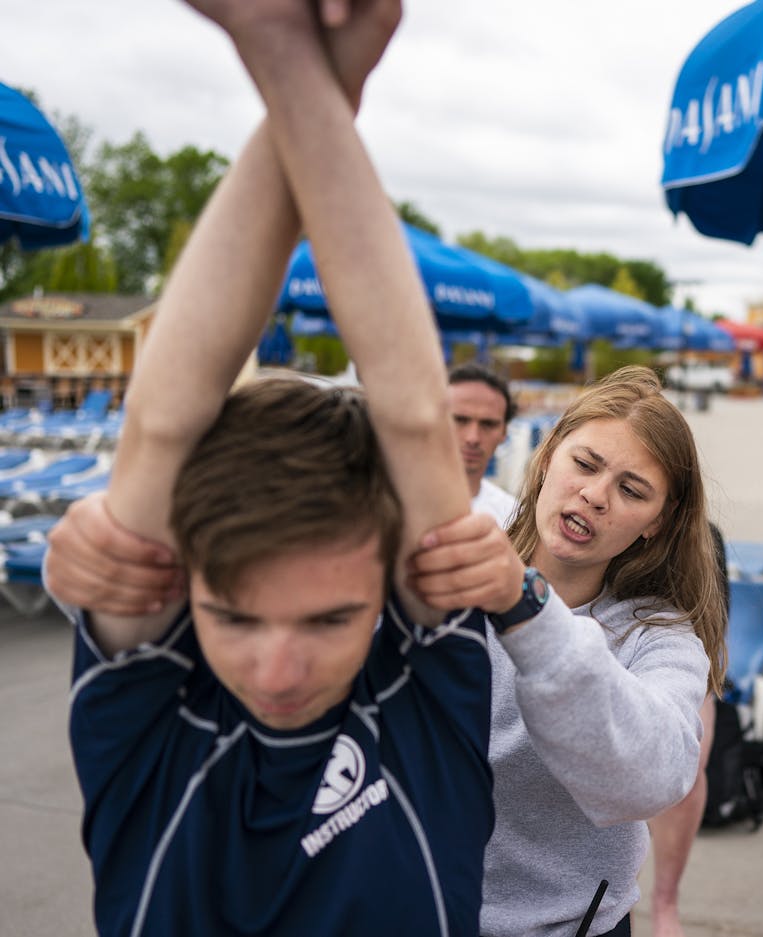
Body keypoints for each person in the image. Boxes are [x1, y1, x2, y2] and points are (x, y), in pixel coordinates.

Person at [42, 2, 496, 934]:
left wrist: (285, 53)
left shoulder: (424, 700)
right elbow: (162, 425)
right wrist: (307, 65)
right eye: (233, 614)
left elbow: (415, 417)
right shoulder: (146, 720)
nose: (278, 667)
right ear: (185, 583)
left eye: (331, 616)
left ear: (389, 583)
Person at [52, 364, 727, 937]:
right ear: (548, 454)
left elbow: (652, 778)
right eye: (586, 463)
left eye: (631, 490)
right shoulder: (443, 558)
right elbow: (280, 591)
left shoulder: (658, 636)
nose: (595, 494)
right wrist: (101, 558)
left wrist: (526, 606)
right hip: (394, 905)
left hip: (564, 924)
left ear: (657, 522)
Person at [646, 524, 729, 937]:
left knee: (686, 773)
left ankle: (665, 902)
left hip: (686, 662)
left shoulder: (704, 538)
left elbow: (713, 625)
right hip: (605, 646)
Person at [448, 361, 520, 525]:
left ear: (504, 432)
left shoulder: (514, 518)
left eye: (488, 424)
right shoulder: (392, 503)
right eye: (460, 420)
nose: (473, 438)